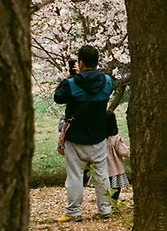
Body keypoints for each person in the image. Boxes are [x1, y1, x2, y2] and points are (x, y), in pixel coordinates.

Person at [54, 45, 114, 223]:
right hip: (98, 136)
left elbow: (58, 97)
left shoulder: (72, 84)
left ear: (80, 62)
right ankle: (106, 210)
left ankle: (73, 211)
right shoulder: (107, 81)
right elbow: (99, 90)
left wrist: (68, 78)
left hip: (76, 137)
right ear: (97, 61)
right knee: (101, 174)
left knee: (74, 176)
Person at [104, 110, 129, 202]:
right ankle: (113, 203)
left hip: (102, 169)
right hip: (115, 169)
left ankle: (105, 204)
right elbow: (124, 152)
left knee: (103, 188)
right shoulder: (116, 139)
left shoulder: (99, 140)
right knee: (115, 188)